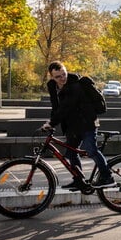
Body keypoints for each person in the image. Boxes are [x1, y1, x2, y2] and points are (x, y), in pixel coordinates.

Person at [44, 61, 113, 190]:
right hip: (72, 125)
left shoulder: (75, 85)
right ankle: (78, 180)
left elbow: (66, 106)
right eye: (58, 76)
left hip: (87, 122)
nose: (62, 78)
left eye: (64, 74)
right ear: (52, 77)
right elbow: (56, 107)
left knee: (91, 149)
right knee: (71, 153)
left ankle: (107, 177)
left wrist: (52, 123)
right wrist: (51, 122)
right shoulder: (52, 86)